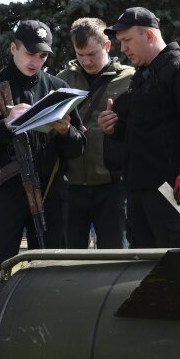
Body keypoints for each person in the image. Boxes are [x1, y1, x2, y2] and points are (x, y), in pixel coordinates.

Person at [0, 19, 86, 274]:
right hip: (6, 191)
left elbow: (78, 148)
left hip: (50, 193)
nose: (36, 61)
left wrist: (66, 131)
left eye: (43, 55)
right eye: (30, 53)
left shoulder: (59, 89)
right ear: (13, 47)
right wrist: (5, 125)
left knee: (52, 269)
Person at [96, 7, 180, 248]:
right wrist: (114, 128)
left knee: (176, 266)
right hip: (139, 190)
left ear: (149, 35)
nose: (123, 49)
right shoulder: (143, 75)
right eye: (120, 42)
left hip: (171, 190)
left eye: (128, 40)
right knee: (141, 270)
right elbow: (145, 130)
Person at [56, 17, 135, 248]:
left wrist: (118, 125)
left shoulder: (130, 79)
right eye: (80, 55)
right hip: (71, 186)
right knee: (67, 259)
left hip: (113, 186)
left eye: (92, 54)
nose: (86, 61)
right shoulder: (62, 81)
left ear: (107, 46)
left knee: (115, 256)